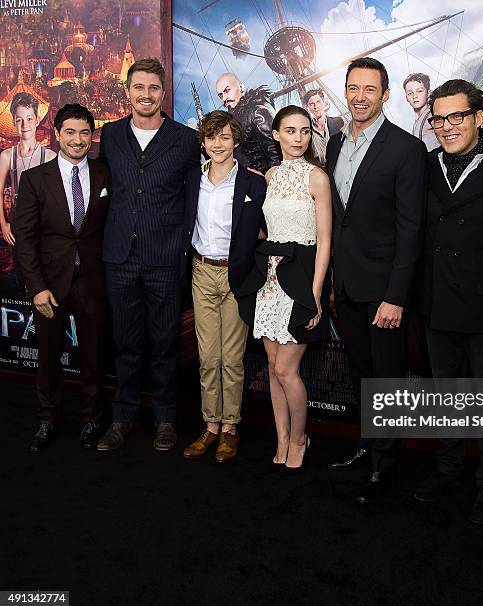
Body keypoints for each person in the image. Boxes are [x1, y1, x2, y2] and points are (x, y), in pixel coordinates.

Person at [413, 79, 483, 524]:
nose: (447, 126)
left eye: (457, 116)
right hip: (437, 303)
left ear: (479, 117)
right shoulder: (425, 167)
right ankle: (449, 467)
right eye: (440, 118)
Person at [326, 57, 427, 502]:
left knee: (386, 377)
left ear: (385, 95)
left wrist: (395, 296)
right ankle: (368, 445)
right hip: (346, 286)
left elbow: (412, 230)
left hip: (384, 292)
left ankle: (384, 467)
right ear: (345, 92)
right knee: (361, 371)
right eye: (353, 88)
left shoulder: (405, 149)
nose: (360, 96)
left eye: (370, 89)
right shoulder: (332, 144)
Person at [96, 58, 201, 452]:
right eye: (138, 87)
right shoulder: (109, 135)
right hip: (119, 256)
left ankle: (165, 420)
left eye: (153, 88)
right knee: (124, 344)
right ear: (128, 91)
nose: (146, 95)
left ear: (162, 92)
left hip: (165, 257)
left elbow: (194, 198)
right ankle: (122, 419)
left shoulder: (185, 139)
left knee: (164, 344)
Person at [236, 105, 332, 471]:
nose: (298, 137)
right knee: (275, 368)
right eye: (290, 131)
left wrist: (317, 293)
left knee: (287, 370)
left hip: (300, 279)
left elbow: (324, 241)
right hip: (269, 281)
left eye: (305, 131)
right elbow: (264, 228)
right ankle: (281, 437)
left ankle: (299, 438)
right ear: (276, 135)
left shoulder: (317, 178)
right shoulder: (270, 175)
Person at [13, 104, 111, 451]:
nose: (78, 139)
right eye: (70, 132)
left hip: (93, 281)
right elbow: (24, 237)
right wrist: (36, 287)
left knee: (93, 356)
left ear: (92, 136)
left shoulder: (104, 175)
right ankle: (47, 418)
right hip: (50, 284)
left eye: (85, 132)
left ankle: (91, 417)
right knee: (48, 354)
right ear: (57, 135)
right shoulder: (35, 179)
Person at [182, 110, 266, 462]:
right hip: (201, 272)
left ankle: (230, 426)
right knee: (207, 357)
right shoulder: (191, 180)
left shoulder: (253, 182)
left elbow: (265, 230)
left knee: (231, 358)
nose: (218, 144)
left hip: (236, 276)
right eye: (211, 137)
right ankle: (210, 425)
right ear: (202, 142)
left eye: (225, 137)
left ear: (236, 142)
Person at [0, 93, 56, 275]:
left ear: (37, 119)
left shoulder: (49, 157)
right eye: (19, 120)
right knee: (21, 273)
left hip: (43, 226)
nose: (25, 126)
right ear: (14, 121)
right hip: (18, 224)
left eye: (29, 119)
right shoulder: (7, 156)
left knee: (43, 275)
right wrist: (3, 223)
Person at [215, 72, 279, 174]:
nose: (224, 98)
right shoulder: (232, 119)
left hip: (267, 180)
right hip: (251, 181)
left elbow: (276, 151)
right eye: (220, 95)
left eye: (227, 90)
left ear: (241, 87)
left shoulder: (257, 109)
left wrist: (270, 178)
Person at [302, 88, 345, 164]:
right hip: (321, 172)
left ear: (323, 102)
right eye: (311, 104)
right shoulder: (305, 132)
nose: (316, 107)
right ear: (307, 107)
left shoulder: (339, 122)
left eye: (318, 102)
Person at [403, 73, 439, 151]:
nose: (414, 96)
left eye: (419, 91)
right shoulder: (417, 121)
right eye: (410, 93)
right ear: (406, 98)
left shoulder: (433, 115)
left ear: (428, 93)